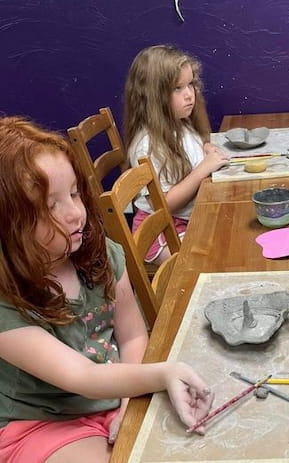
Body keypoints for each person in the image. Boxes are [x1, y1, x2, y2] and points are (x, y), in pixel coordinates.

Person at [0, 117, 214, 463]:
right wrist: (160, 374)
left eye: (73, 194)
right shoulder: (5, 299)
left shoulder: (100, 254)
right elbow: (81, 377)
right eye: (49, 206)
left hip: (110, 389)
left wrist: (130, 401)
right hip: (40, 421)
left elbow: (131, 336)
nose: (75, 214)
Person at [123, 44, 229, 264]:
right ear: (154, 96)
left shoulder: (180, 124)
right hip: (163, 232)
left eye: (190, 84)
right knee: (221, 256)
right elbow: (166, 203)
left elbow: (191, 154)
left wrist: (206, 148)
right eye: (177, 88)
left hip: (185, 219)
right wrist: (203, 169)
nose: (189, 94)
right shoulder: (148, 146)